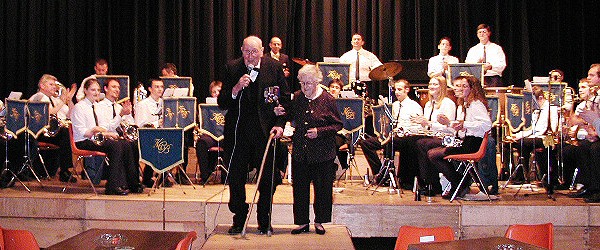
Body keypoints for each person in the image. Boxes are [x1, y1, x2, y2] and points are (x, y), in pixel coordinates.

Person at [218, 36, 287, 235]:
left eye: (254, 52)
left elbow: (285, 99)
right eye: (246, 52)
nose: (250, 56)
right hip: (238, 133)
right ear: (241, 50)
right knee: (236, 178)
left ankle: (264, 219)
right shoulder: (232, 67)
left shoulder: (274, 67)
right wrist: (236, 88)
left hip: (264, 133)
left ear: (262, 50)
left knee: (268, 178)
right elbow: (223, 102)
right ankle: (239, 218)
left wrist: (280, 124)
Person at [274, 65, 342, 235]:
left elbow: (337, 124)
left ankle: (319, 221)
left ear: (317, 82)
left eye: (309, 83)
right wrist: (279, 112)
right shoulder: (298, 97)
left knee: (322, 189)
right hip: (301, 151)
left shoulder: (328, 99)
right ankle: (302, 222)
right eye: (302, 83)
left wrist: (320, 132)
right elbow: (288, 115)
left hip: (322, 152)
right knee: (300, 188)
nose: (305, 87)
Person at [71, 78, 142, 195]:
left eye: (98, 90)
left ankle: (129, 183)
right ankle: (112, 186)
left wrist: (108, 132)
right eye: (93, 90)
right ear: (85, 90)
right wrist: (97, 131)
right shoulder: (80, 107)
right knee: (116, 146)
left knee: (125, 144)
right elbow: (82, 131)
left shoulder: (96, 107)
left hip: (96, 138)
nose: (96, 93)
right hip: (84, 141)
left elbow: (104, 127)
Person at [426, 75, 491, 199]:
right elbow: (461, 128)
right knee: (431, 151)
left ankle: (459, 183)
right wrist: (449, 123)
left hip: (473, 143)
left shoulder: (476, 104)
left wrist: (463, 124)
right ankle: (459, 183)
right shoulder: (464, 105)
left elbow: (487, 125)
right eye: (459, 86)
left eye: (464, 86)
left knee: (433, 154)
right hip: (465, 141)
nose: (460, 89)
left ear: (472, 89)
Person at [358, 79, 423, 187]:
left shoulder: (414, 106)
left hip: (405, 138)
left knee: (390, 143)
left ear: (407, 90)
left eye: (400, 89)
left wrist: (401, 130)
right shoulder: (395, 105)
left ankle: (391, 175)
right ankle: (381, 173)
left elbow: (418, 127)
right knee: (366, 143)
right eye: (395, 89)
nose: (397, 92)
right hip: (392, 136)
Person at [508, 86, 559, 188]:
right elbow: (532, 128)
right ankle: (522, 175)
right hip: (536, 136)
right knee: (519, 144)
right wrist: (518, 135)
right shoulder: (536, 110)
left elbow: (550, 127)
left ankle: (524, 175)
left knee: (523, 143)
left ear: (540, 98)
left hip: (548, 137)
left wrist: (522, 136)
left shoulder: (551, 108)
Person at [29, 74, 77, 182]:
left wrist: (69, 100)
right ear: (42, 85)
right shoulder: (39, 97)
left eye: (55, 85)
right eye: (51, 84)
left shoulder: (54, 99)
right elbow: (49, 113)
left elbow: (71, 114)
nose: (54, 87)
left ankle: (65, 169)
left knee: (68, 132)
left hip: (54, 131)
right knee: (65, 134)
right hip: (41, 133)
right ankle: (64, 170)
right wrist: (62, 100)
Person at [413, 76, 457, 193]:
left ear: (442, 87)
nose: (431, 87)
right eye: (430, 84)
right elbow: (428, 126)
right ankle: (424, 180)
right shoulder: (428, 104)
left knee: (422, 144)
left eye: (435, 84)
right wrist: (421, 123)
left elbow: (450, 128)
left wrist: (429, 123)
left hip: (446, 138)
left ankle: (431, 183)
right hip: (433, 136)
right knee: (414, 142)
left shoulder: (448, 103)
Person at [565, 79, 599, 199]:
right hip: (591, 135)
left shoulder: (596, 101)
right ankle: (588, 185)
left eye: (592, 75)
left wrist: (586, 126)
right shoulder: (583, 105)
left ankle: (596, 188)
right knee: (582, 147)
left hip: (596, 136)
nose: (580, 90)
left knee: (594, 148)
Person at [196, 81, 228, 183]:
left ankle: (226, 176)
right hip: (210, 136)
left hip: (225, 134)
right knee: (201, 143)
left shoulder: (228, 104)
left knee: (230, 142)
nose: (216, 94)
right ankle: (205, 175)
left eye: (218, 91)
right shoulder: (206, 108)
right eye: (214, 92)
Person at [135, 79, 165, 187]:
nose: (160, 89)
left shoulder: (164, 103)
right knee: (156, 144)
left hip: (161, 134)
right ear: (150, 89)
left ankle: (164, 176)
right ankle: (148, 177)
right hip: (146, 136)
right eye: (156, 87)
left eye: (161, 86)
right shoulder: (143, 105)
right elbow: (139, 124)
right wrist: (157, 123)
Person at [339, 33, 383, 99]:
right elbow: (340, 69)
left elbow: (379, 68)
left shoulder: (370, 55)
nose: (356, 41)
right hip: (350, 84)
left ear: (362, 42)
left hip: (366, 84)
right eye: (354, 39)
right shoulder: (345, 56)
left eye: (358, 39)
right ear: (351, 42)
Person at [328, 79, 350, 170]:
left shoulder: (344, 105)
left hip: (339, 134)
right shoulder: (322, 102)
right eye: (332, 87)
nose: (334, 89)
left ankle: (331, 169)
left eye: (337, 88)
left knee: (333, 142)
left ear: (340, 90)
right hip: (325, 131)